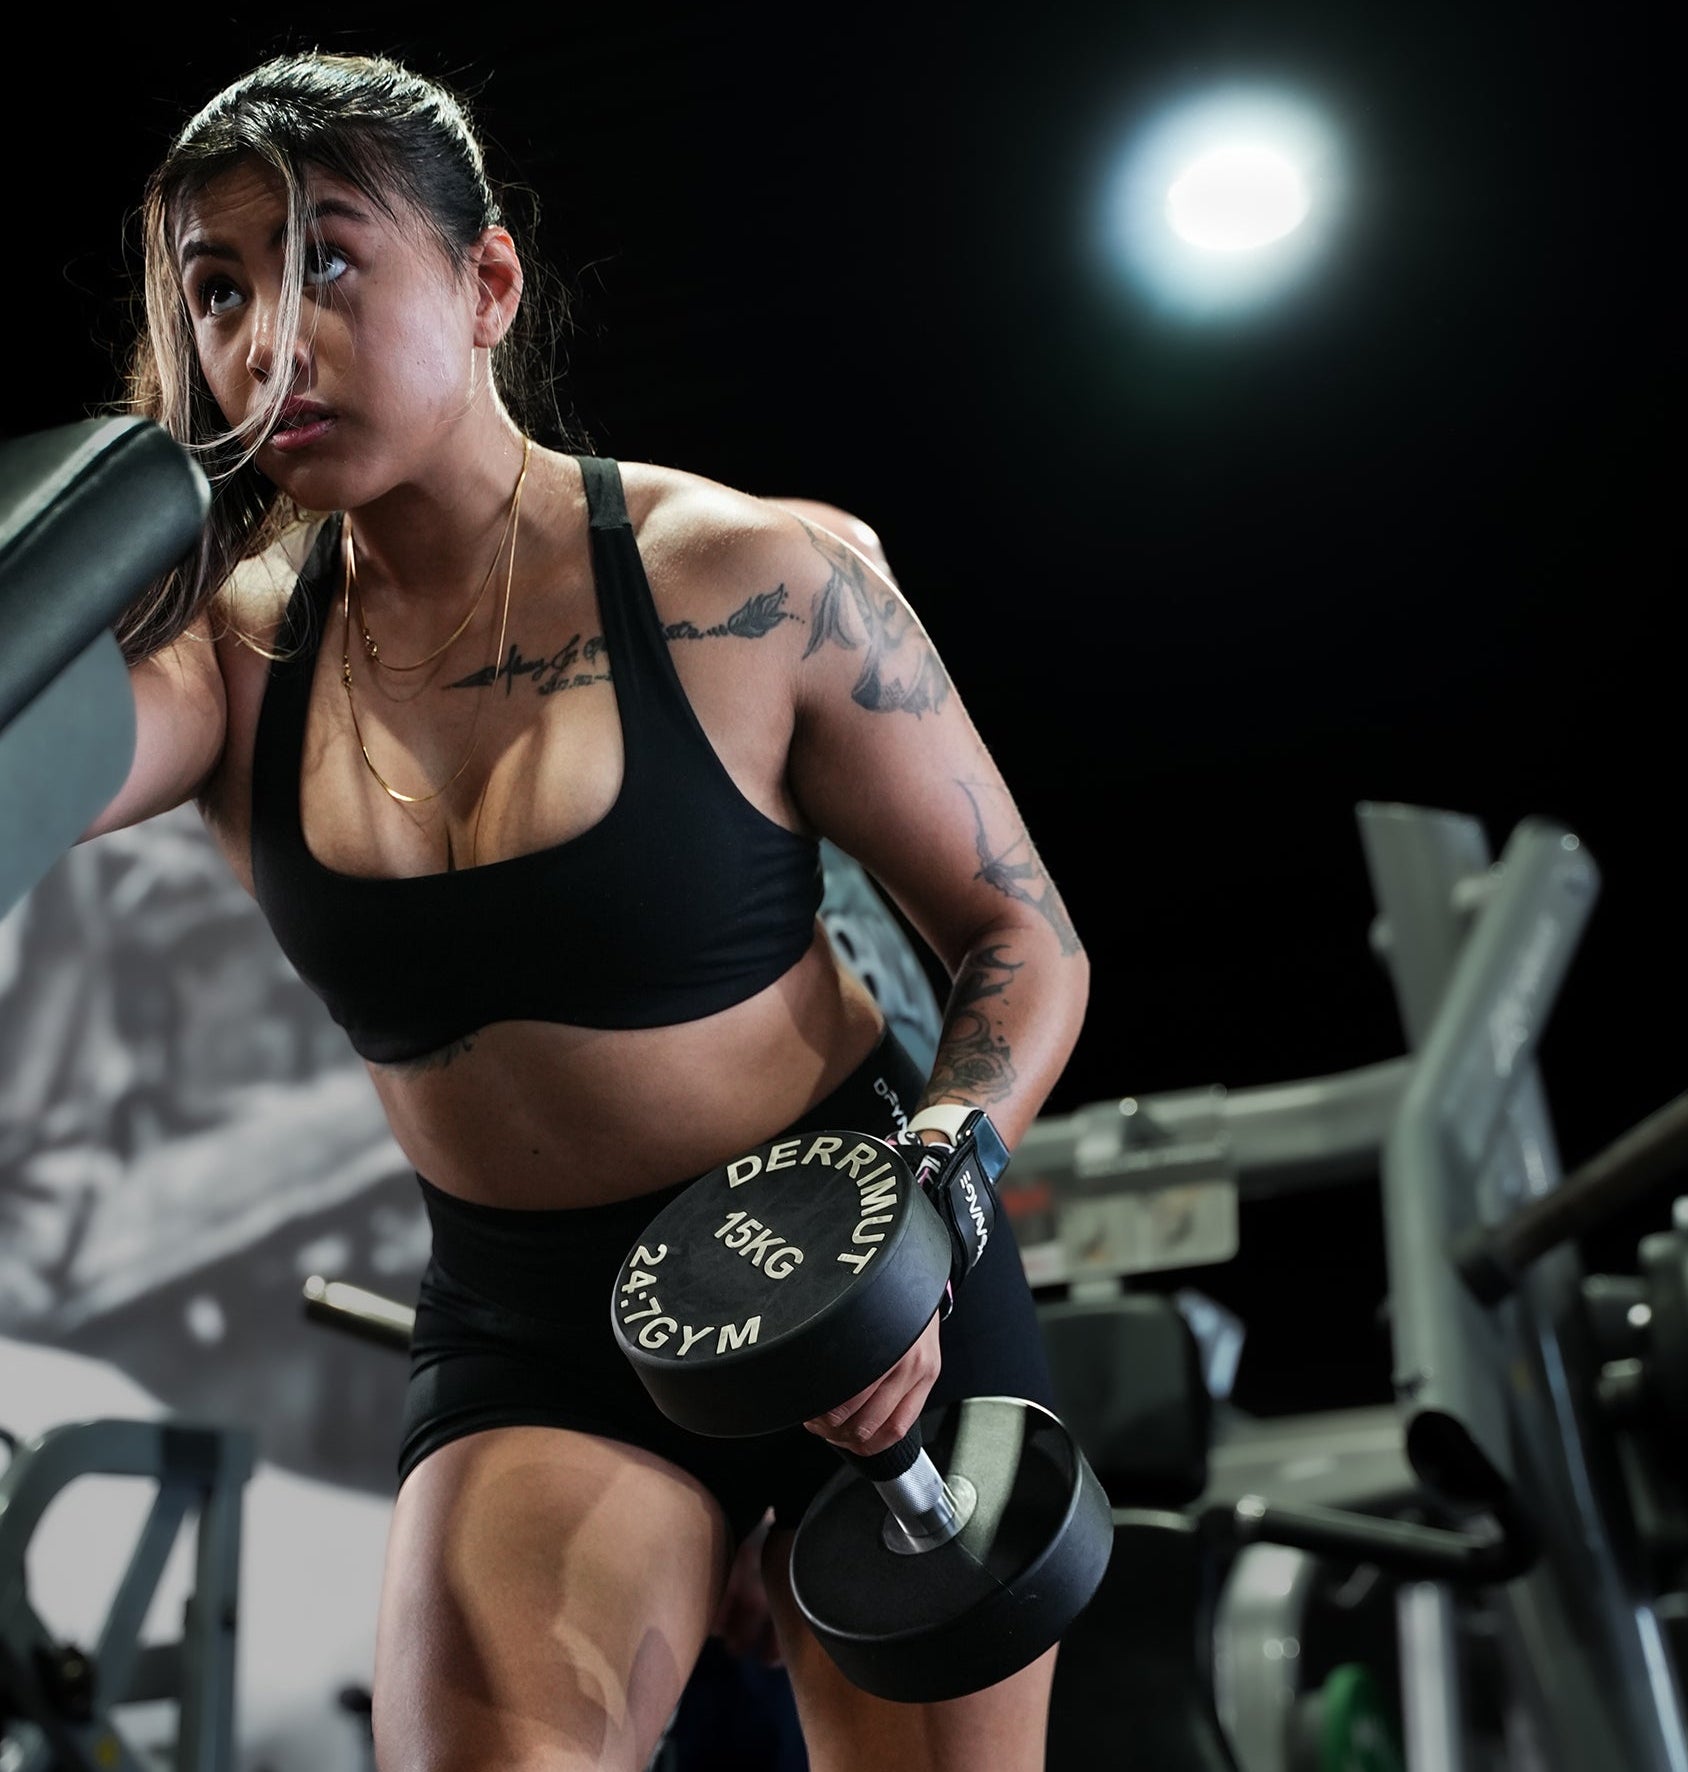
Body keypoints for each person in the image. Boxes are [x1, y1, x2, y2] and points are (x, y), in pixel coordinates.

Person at [92, 49, 1089, 1772]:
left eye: (331, 260)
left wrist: (932, 1203)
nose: (268, 341)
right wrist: (92, 533)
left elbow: (1025, 950)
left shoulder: (751, 582)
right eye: (219, 290)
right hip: (542, 1336)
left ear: (488, 285)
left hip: (865, 1283)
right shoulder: (234, 658)